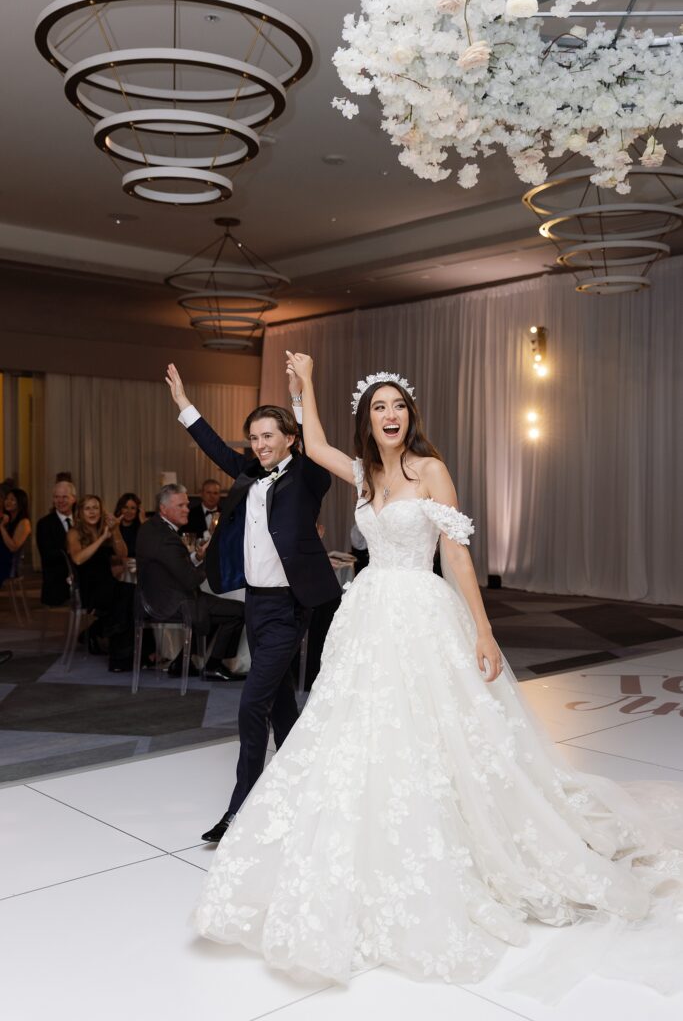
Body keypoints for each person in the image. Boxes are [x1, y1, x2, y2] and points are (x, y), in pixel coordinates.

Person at [195, 354, 683, 995]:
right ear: (367, 421)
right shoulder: (364, 475)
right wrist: (306, 383)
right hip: (368, 615)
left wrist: (483, 631)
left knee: (441, 730)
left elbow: (456, 555)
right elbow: (311, 444)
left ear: (410, 415)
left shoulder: (431, 471)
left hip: (421, 615)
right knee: (357, 733)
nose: (390, 415)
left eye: (398, 405)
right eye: (378, 407)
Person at [165, 363, 340, 843]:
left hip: (290, 607)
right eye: (255, 438)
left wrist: (302, 393)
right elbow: (218, 448)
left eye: (269, 436)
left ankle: (239, 810)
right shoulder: (249, 475)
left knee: (252, 704)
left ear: (289, 439)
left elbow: (314, 440)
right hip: (256, 605)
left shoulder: (307, 475)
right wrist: (185, 405)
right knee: (281, 702)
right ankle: (304, 785)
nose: (260, 445)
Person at [135, 484, 245, 680]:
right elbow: (190, 580)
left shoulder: (151, 528)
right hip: (174, 603)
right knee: (239, 611)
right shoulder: (166, 537)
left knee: (217, 610)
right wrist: (211, 557)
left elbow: (174, 567)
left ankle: (182, 661)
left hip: (155, 599)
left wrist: (198, 557)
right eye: (181, 505)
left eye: (186, 504)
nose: (187, 509)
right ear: (163, 508)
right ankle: (214, 665)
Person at [66, 495, 135, 671]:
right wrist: (101, 539)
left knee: (132, 594)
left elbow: (122, 553)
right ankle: (119, 656)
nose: (92, 512)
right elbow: (79, 559)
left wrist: (116, 531)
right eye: (87, 508)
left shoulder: (105, 528)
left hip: (107, 584)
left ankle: (120, 653)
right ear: (80, 513)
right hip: (88, 588)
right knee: (124, 599)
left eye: (95, 508)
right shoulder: (74, 533)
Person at [36, 480, 77, 606]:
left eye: (65, 497)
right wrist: (76, 551)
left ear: (73, 499)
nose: (60, 501)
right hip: (57, 588)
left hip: (85, 586)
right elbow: (48, 555)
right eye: (56, 497)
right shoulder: (44, 524)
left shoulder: (82, 521)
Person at [0, 488, 32, 585]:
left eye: (12, 499)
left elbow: (13, 547)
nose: (8, 502)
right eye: (7, 499)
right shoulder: (7, 520)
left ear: (20, 502)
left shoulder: (24, 522)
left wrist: (1, 527)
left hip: (8, 564)